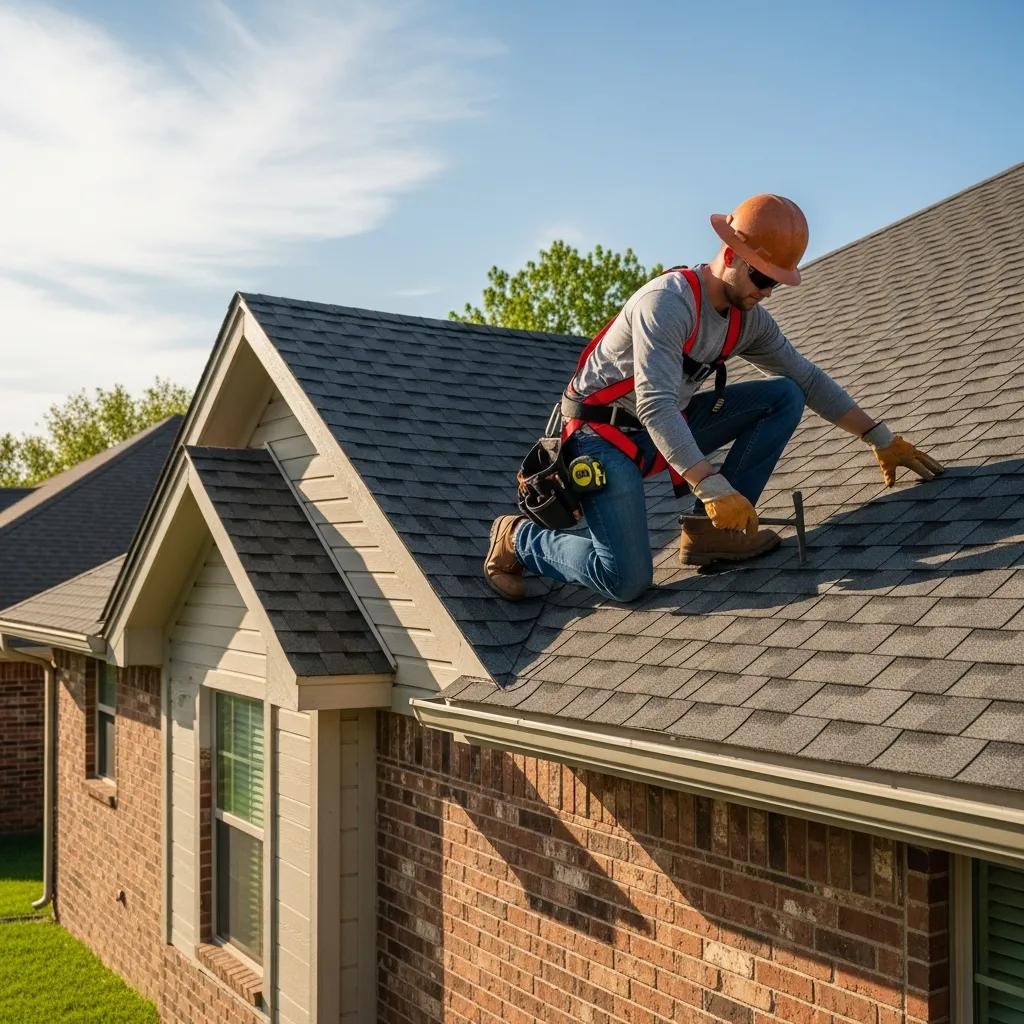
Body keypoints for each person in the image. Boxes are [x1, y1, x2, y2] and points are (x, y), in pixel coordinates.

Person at [484, 194, 944, 603]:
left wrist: (879, 437)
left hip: (663, 426)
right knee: (625, 581)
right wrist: (711, 487)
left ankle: (711, 537)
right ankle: (518, 539)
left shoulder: (749, 319)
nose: (764, 292)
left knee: (783, 395)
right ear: (729, 254)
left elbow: (805, 378)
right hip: (599, 438)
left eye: (774, 284)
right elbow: (655, 405)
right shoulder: (667, 303)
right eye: (760, 277)